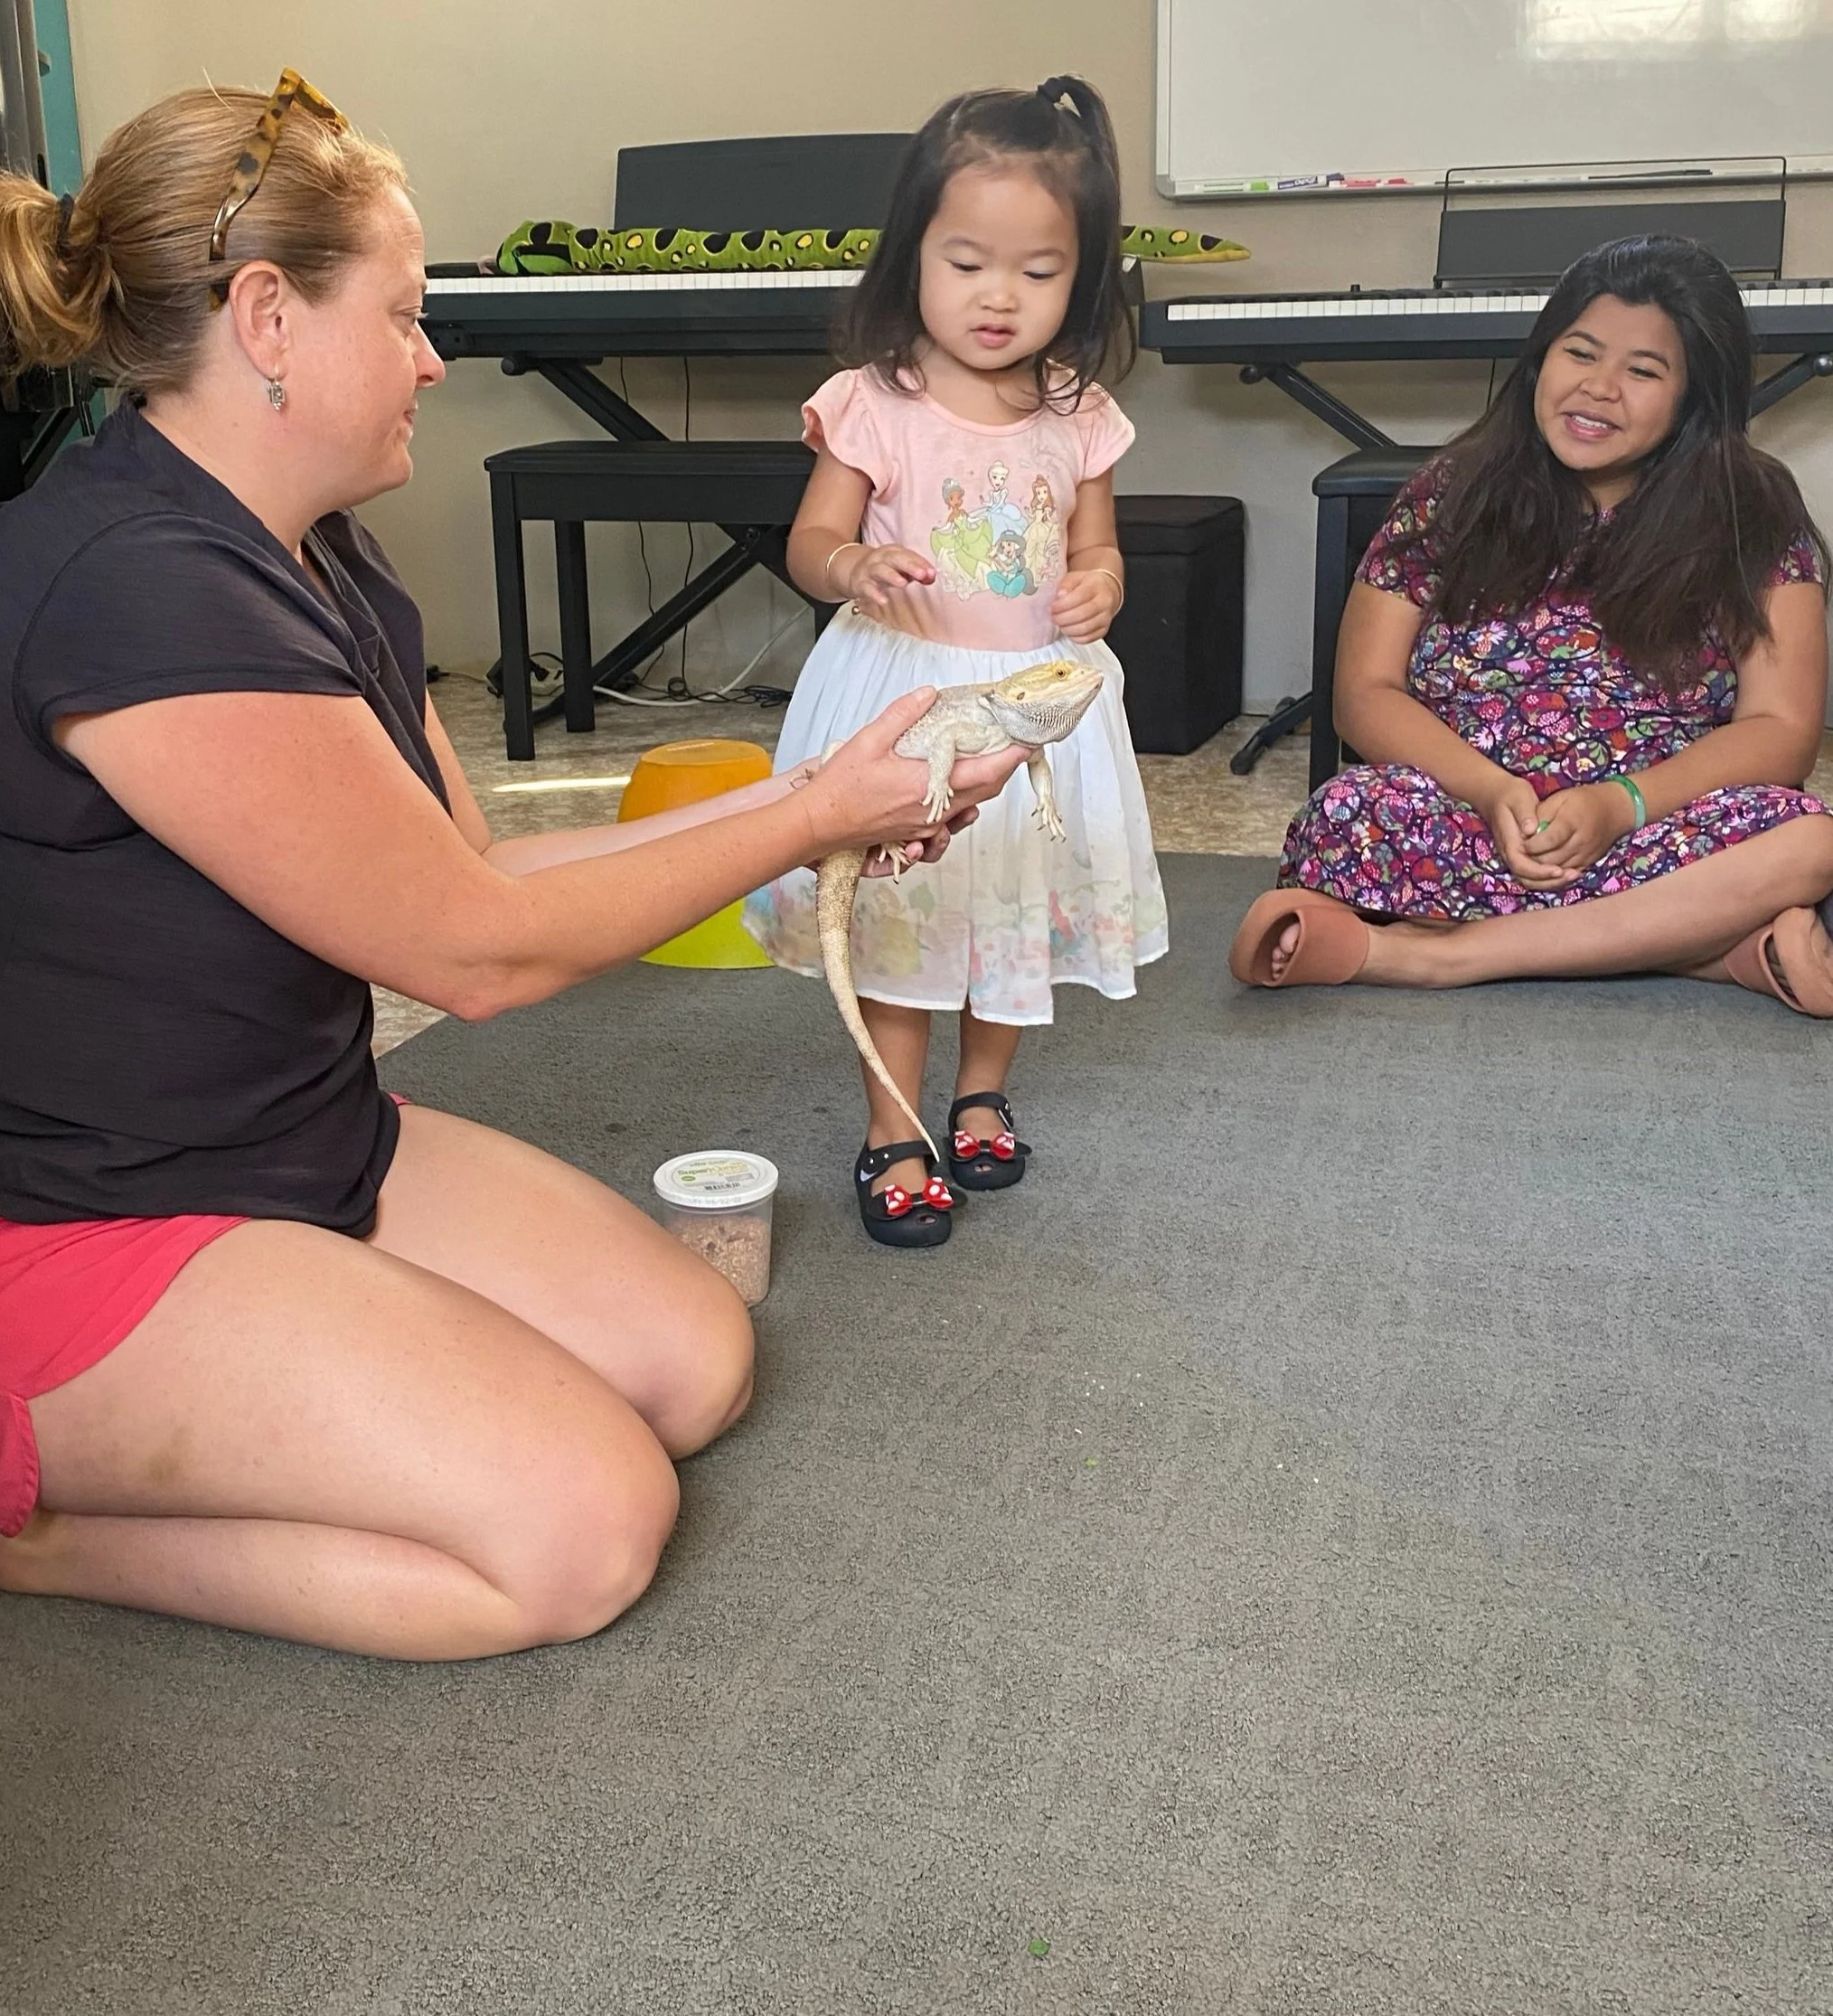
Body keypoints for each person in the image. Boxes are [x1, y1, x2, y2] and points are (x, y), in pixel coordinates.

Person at [0, 76, 1024, 1659]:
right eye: (408, 313)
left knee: (687, 1362)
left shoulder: (311, 543)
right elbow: (475, 954)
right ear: (267, 317)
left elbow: (473, 861)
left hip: (278, 1135)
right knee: (583, 1525)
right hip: (43, 1225)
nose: (436, 356)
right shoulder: (135, 592)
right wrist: (810, 818)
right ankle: (7, 1532)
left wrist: (820, 789)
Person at [745, 78, 1168, 1248]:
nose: (998, 296)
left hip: (1031, 702)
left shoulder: (1079, 412)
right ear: (911, 256)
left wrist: (1102, 582)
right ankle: (893, 1125)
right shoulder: (874, 401)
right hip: (909, 694)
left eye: (1037, 273)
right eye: (966, 261)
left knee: (1003, 906)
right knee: (905, 910)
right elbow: (811, 539)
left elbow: (1098, 548)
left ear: (1079, 280)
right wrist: (852, 570)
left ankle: (981, 1091)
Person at [1230, 235, 1833, 1008]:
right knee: (1347, 815)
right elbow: (1365, 693)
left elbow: (1781, 731)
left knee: (1809, 842)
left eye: (1643, 371)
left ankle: (1437, 955)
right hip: (1474, 813)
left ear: (1695, 399)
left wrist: (1622, 804)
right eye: (1579, 353)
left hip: (1656, 819)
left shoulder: (1753, 510)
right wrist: (1489, 791)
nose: (1599, 389)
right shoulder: (1451, 491)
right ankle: (1712, 946)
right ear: (1541, 358)